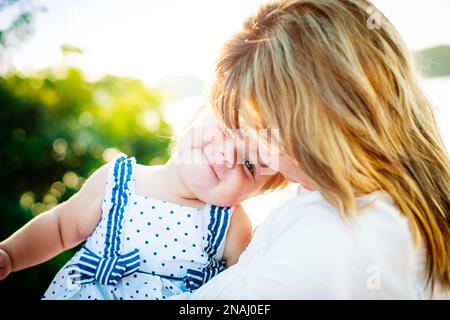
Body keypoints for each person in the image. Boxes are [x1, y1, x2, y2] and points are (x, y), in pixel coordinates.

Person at [170, 0, 450, 299]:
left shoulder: (344, 238)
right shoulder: (351, 204)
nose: (262, 156)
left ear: (311, 128)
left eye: (258, 131)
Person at [0, 112, 285, 300]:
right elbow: (60, 227)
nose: (230, 152)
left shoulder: (231, 224)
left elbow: (243, 289)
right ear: (195, 117)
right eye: (229, 126)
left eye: (249, 164)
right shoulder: (120, 179)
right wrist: (10, 255)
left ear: (253, 194)